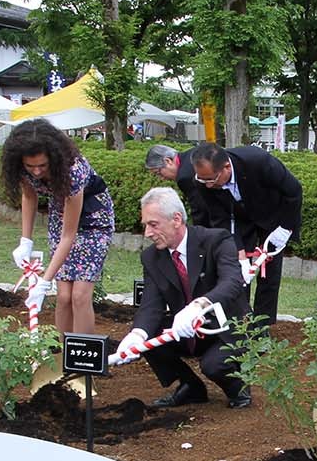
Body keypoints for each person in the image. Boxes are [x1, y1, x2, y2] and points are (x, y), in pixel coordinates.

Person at [116, 186, 251, 409]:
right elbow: (151, 305)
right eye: (145, 225)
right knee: (150, 337)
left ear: (176, 219)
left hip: (227, 326)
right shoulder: (151, 258)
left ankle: (238, 389)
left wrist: (199, 305)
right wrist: (137, 335)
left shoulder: (216, 240)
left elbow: (232, 282)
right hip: (187, 330)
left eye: (153, 224)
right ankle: (191, 388)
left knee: (214, 365)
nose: (147, 233)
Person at [1, 119, 115, 337]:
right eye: (30, 166)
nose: (36, 172)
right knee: (63, 296)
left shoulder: (72, 170)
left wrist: (44, 282)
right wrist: (26, 240)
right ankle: (63, 357)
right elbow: (29, 196)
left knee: (79, 295)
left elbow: (68, 235)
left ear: (54, 158)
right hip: (60, 211)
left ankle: (84, 361)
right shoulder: (21, 166)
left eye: (42, 166)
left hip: (93, 220)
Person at [189, 141, 302, 324]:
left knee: (269, 274)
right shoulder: (203, 180)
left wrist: (286, 227)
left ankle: (262, 326)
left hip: (272, 214)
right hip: (240, 218)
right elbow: (220, 218)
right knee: (236, 271)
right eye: (203, 180)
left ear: (226, 167)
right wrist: (239, 254)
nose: (208, 185)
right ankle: (239, 322)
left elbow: (294, 191)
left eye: (212, 179)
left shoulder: (258, 161)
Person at [144, 143, 204, 214]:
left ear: (168, 161)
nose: (162, 178)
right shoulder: (194, 151)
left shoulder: (184, 178)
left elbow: (201, 211)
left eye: (158, 173)